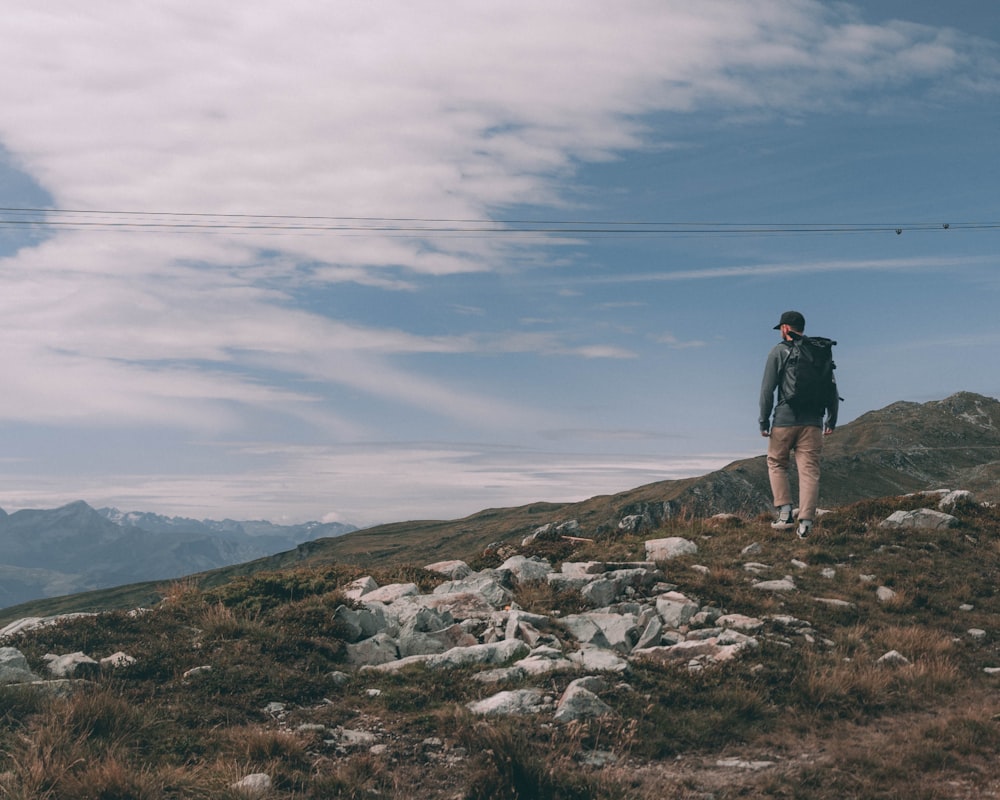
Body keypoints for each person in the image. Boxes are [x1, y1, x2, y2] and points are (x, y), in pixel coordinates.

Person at [759, 310, 838, 538]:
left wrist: (764, 421)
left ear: (785, 328)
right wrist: (831, 419)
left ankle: (785, 513)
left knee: (776, 463)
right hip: (813, 423)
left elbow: (767, 390)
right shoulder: (820, 351)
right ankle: (806, 525)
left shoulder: (778, 351)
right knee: (809, 471)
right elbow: (832, 388)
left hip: (784, 420)